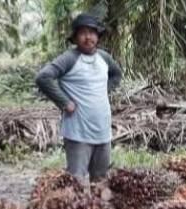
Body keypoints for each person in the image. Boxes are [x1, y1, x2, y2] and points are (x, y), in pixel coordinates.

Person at [35, 13, 123, 185]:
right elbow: (43, 77)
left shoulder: (104, 58)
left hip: (102, 130)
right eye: (82, 33)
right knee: (77, 182)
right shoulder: (69, 58)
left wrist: (103, 91)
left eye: (92, 32)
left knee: (101, 181)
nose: (88, 37)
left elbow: (116, 74)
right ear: (75, 38)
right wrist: (65, 102)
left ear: (98, 36)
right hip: (78, 132)